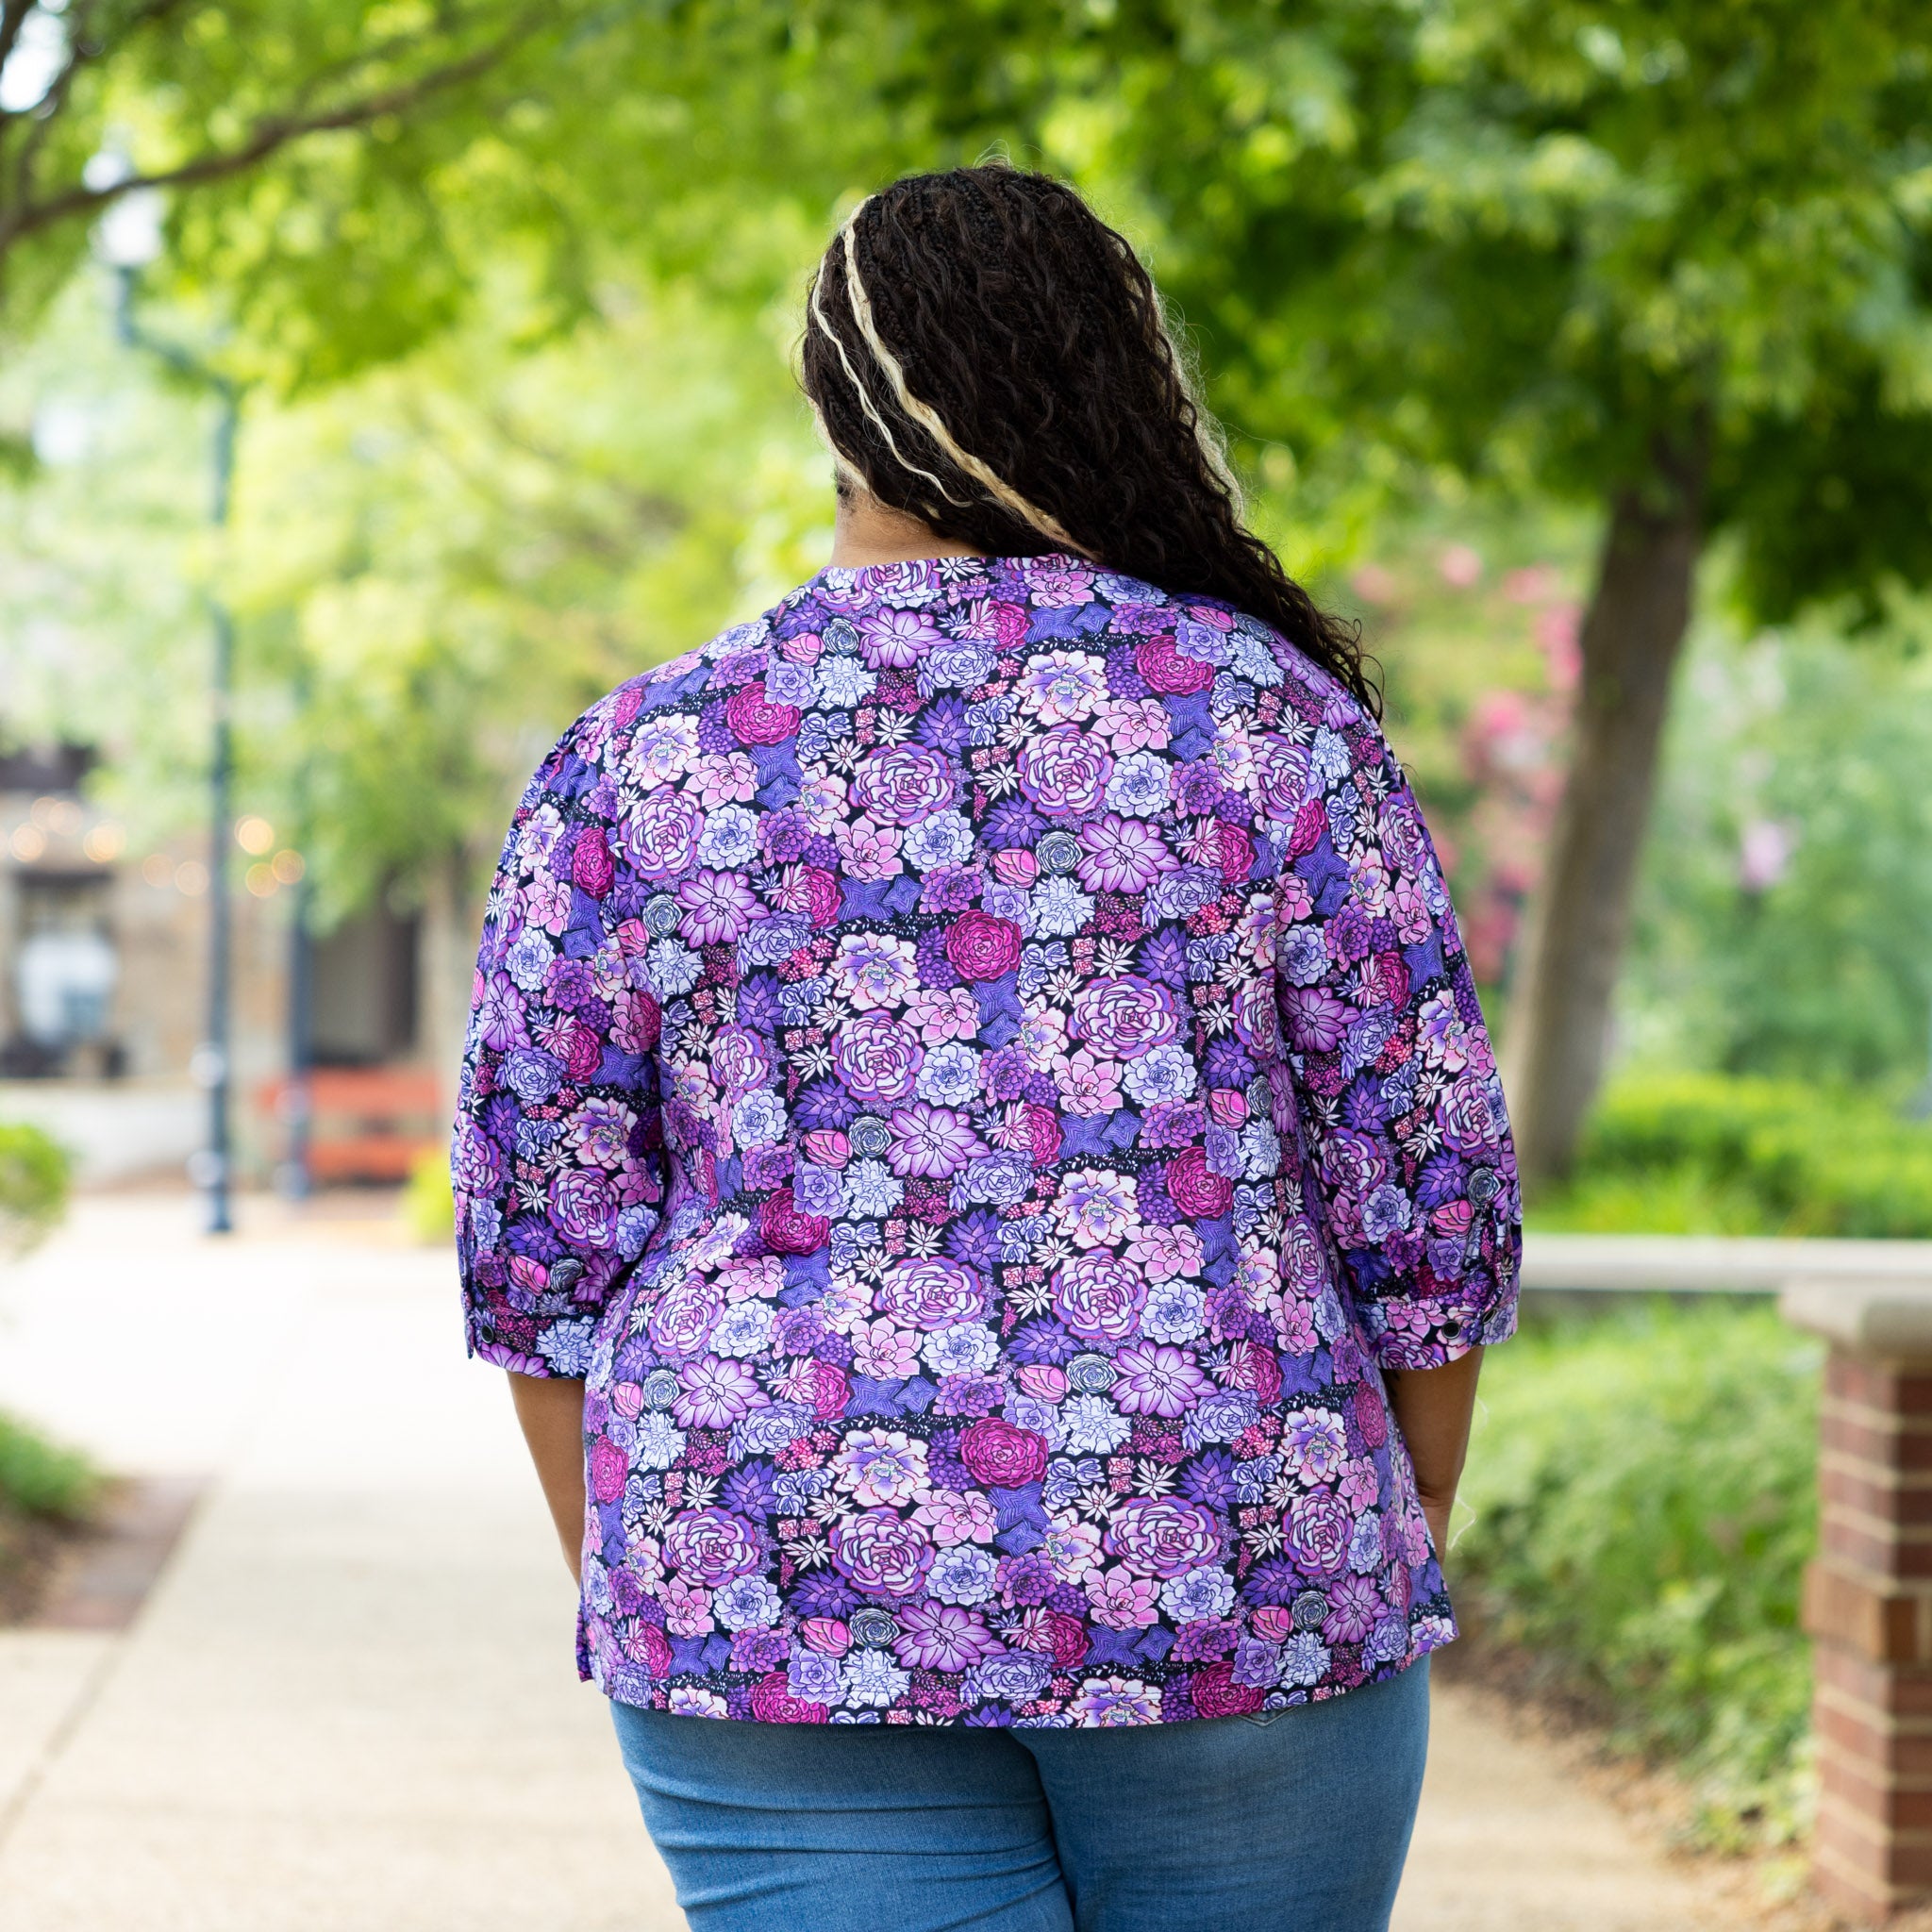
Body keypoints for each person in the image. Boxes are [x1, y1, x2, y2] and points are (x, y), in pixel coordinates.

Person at [453, 163, 1520, 1932]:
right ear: (1118, 381)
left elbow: (541, 1239)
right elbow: (1425, 1183)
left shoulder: (644, 755)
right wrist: (1382, 1513)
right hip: (1228, 1558)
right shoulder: (1264, 723)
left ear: (828, 413)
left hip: (773, 1573)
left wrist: (666, 1571)